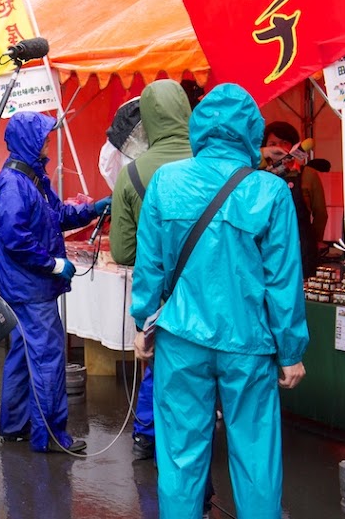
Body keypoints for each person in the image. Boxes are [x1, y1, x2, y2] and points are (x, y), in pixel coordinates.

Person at [131, 83, 308, 519]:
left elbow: (149, 266)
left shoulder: (165, 183)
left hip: (180, 337)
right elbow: (282, 282)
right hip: (248, 342)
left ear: (199, 128)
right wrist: (291, 352)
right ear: (251, 131)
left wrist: (143, 323)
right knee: (255, 455)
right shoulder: (271, 191)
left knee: (181, 456)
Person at [0, 111, 110, 454]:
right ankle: (51, 435)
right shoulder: (14, 185)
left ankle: (14, 426)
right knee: (47, 358)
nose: (48, 143)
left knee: (21, 355)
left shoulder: (33, 179)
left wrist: (94, 208)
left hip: (26, 286)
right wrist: (53, 264)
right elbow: (16, 239)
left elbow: (58, 217)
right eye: (44, 138)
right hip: (29, 289)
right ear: (29, 141)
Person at [109, 79, 193, 463]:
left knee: (157, 365)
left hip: (160, 294)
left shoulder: (133, 173)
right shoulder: (219, 163)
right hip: (215, 296)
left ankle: (148, 434)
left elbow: (123, 250)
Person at [261, 121, 328, 278]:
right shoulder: (260, 175)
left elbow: (321, 214)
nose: (278, 148)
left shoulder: (309, 175)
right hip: (270, 247)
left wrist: (314, 241)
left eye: (284, 143)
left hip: (302, 247)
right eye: (272, 144)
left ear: (294, 145)